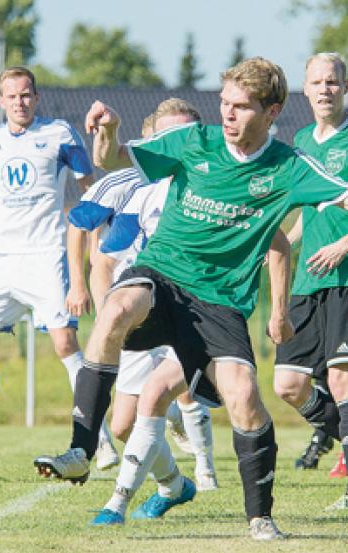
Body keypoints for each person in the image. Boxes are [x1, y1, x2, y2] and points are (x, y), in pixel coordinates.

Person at [33, 57, 348, 540]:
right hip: (163, 275)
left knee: (246, 398)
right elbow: (112, 157)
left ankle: (260, 518)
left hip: (221, 305)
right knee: (117, 309)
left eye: (241, 107)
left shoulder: (288, 167)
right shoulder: (194, 141)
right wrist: (107, 129)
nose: (227, 115)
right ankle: (81, 450)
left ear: (270, 112)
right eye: (224, 103)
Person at [0, 66, 121, 468]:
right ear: (1, 101)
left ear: (35, 99)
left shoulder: (59, 135)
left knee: (65, 345)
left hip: (44, 256)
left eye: (26, 95)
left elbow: (88, 188)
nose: (19, 103)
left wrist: (95, 245)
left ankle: (100, 440)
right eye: (11, 96)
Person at [66, 101, 220, 498]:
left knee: (180, 387)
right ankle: (173, 482)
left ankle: (205, 469)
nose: (178, 145)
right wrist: (93, 298)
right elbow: (98, 249)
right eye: (167, 137)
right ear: (149, 141)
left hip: (188, 302)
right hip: (136, 304)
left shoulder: (212, 184)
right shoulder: (127, 187)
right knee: (121, 426)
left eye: (186, 135)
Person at [274, 53, 348, 510]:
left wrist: (344, 246)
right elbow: (313, 209)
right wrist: (286, 241)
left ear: (346, 89)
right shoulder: (301, 140)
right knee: (287, 384)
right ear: (304, 89)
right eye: (316, 82)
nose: (324, 89)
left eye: (333, 82)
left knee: (345, 384)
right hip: (308, 283)